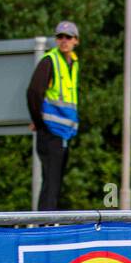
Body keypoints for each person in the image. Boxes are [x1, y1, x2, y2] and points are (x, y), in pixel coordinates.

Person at [26, 20, 80, 211]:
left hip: (64, 133)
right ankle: (46, 225)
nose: (63, 40)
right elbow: (33, 92)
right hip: (50, 131)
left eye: (68, 37)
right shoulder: (50, 61)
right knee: (51, 180)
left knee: (55, 179)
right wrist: (39, 122)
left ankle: (49, 221)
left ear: (76, 41)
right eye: (60, 37)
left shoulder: (73, 63)